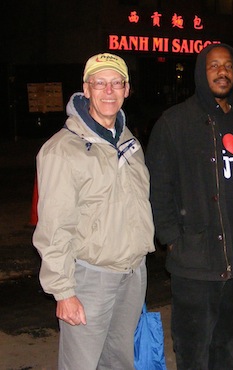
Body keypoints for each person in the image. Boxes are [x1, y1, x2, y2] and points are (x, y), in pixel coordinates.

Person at [146, 43, 233, 370]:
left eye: (228, 66)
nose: (222, 72)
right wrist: (173, 238)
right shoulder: (175, 122)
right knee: (193, 345)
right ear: (201, 72)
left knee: (228, 343)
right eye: (213, 66)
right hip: (195, 257)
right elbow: (158, 185)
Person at [32, 53, 155, 370]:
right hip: (90, 279)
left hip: (132, 274)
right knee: (82, 364)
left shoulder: (129, 142)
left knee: (119, 361)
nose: (109, 91)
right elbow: (53, 227)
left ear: (127, 89)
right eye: (100, 83)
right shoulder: (62, 149)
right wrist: (63, 292)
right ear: (86, 89)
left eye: (116, 83)